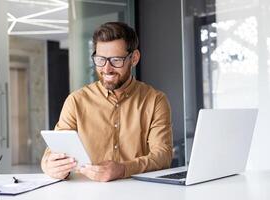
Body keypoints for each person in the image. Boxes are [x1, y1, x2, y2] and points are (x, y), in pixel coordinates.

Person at [41, 22, 173, 182]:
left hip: (138, 193)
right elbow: (52, 152)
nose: (107, 68)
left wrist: (123, 169)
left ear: (134, 58)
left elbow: (163, 156)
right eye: (100, 59)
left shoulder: (155, 101)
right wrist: (51, 166)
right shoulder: (76, 101)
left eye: (116, 60)